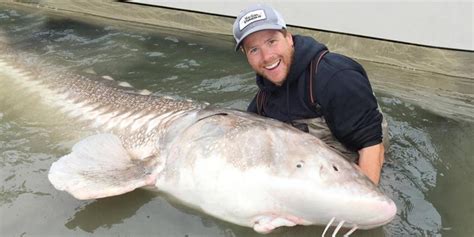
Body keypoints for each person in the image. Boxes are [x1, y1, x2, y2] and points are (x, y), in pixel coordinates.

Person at [233, 4, 388, 185]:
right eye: (254, 49)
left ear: (288, 38)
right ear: (246, 56)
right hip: (311, 168)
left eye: (271, 41)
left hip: (367, 164)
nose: (267, 56)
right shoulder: (261, 103)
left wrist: (364, 208)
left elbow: (371, 147)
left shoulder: (336, 77)